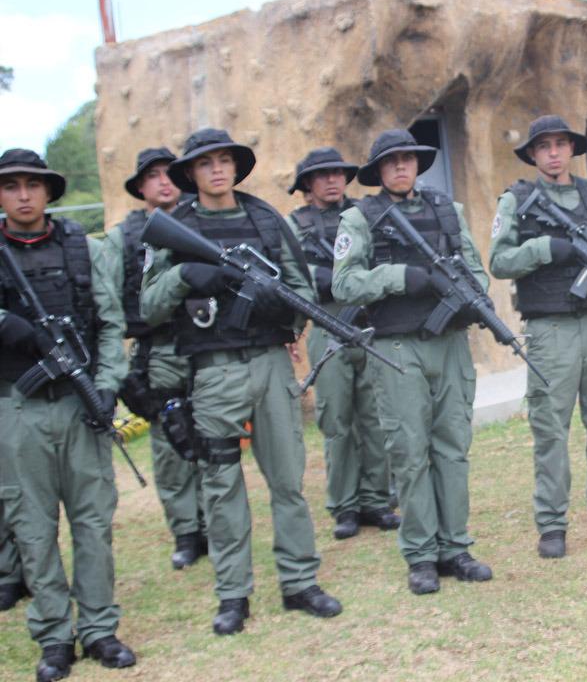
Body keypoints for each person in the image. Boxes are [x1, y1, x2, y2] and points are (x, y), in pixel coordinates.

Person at [141, 129, 341, 635]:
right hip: (214, 370)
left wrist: (282, 308)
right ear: (191, 173)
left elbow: (301, 290)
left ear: (236, 167)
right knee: (222, 485)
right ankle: (233, 594)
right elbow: (148, 306)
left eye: (225, 160)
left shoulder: (266, 218)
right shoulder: (175, 227)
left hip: (271, 363)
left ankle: (300, 581)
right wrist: (184, 277)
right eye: (206, 163)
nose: (217, 170)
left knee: (288, 481)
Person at [332, 129, 492, 595]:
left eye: (408, 158)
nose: (401, 166)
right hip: (397, 347)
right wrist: (400, 277)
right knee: (409, 451)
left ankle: (455, 547)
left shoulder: (447, 210)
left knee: (452, 447)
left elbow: (476, 271)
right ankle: (421, 554)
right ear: (379, 170)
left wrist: (468, 294)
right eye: (391, 160)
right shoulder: (360, 218)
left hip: (450, 343)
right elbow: (344, 284)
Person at [0, 149, 136, 680]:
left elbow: (110, 324)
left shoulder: (84, 249)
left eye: (33, 185)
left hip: (81, 405)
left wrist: (106, 388)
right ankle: (55, 636)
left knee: (93, 522)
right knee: (33, 527)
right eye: (12, 186)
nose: (23, 195)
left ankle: (100, 628)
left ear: (48, 192)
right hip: (18, 407)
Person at [489, 115, 587, 559]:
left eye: (560, 144)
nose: (553, 153)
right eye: (544, 146)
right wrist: (543, 249)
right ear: (533, 154)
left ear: (572, 149)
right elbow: (499, 261)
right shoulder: (516, 201)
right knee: (551, 429)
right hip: (549, 328)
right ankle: (552, 524)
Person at [285, 147, 399, 539]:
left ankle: (376, 499)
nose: (332, 180)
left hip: (369, 324)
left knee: (375, 416)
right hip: (327, 323)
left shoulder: (366, 215)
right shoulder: (295, 226)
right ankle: (345, 505)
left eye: (337, 173)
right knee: (336, 419)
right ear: (307, 183)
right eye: (322, 175)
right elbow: (292, 276)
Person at [103, 147, 208, 570]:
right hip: (158, 349)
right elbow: (108, 304)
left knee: (213, 436)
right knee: (171, 443)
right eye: (153, 176)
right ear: (140, 187)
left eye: (169, 173)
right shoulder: (123, 237)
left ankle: (216, 524)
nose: (164, 182)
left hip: (206, 344)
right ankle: (187, 532)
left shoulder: (201, 221)